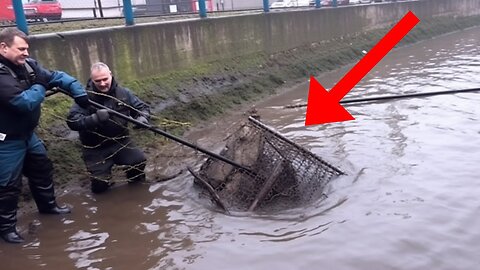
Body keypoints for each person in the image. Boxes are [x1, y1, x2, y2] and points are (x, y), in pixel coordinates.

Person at [0, 28, 90, 244]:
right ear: (3, 47)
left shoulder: (27, 65)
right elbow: (24, 102)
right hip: (6, 139)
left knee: (42, 167)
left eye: (27, 49)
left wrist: (80, 93)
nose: (26, 53)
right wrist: (41, 84)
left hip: (27, 135)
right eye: (21, 49)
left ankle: (48, 207)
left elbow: (57, 76)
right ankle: (6, 228)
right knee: (7, 185)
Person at [67, 62, 150, 194]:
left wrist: (143, 118)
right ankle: (105, 180)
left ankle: (136, 189)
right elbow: (72, 121)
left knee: (138, 162)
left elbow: (142, 108)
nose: (102, 83)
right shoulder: (84, 98)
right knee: (100, 187)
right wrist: (95, 119)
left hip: (121, 142)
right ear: (92, 80)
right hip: (95, 148)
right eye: (98, 81)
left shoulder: (123, 93)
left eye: (105, 79)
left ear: (111, 75)